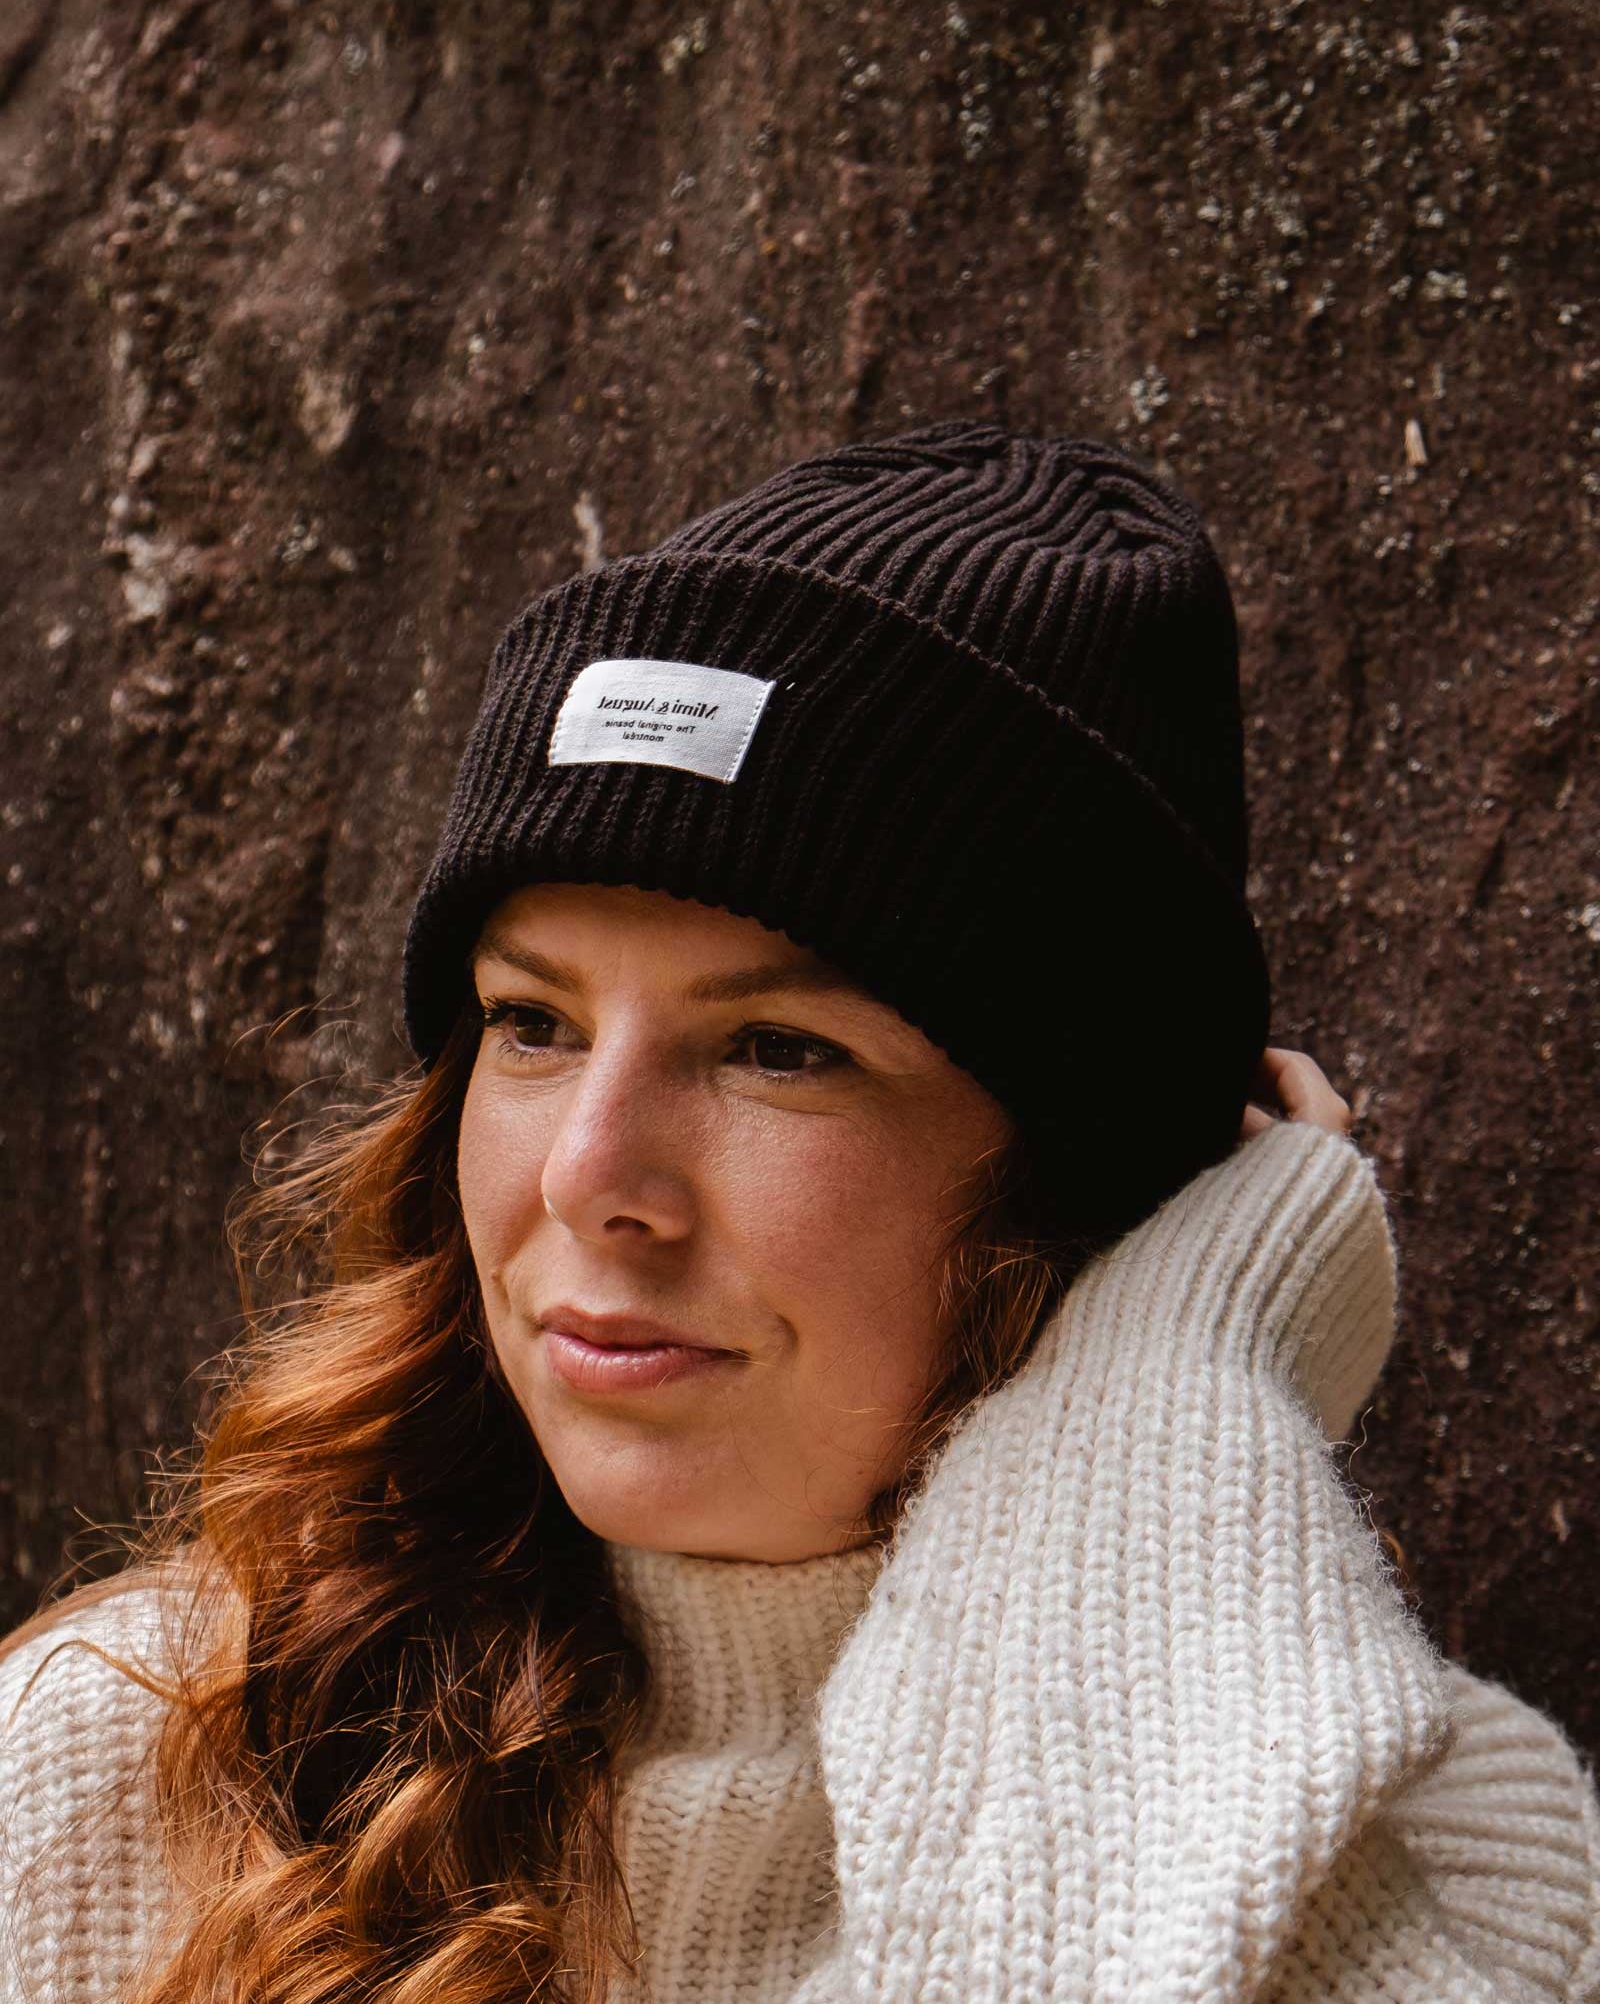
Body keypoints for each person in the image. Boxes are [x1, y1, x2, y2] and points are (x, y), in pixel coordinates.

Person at [2, 421, 1597, 2004]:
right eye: (532, 1021)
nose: (586, 1172)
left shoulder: (1458, 1867)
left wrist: (1171, 1399)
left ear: (1083, 1179)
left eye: (779, 1048)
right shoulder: (125, 1767)